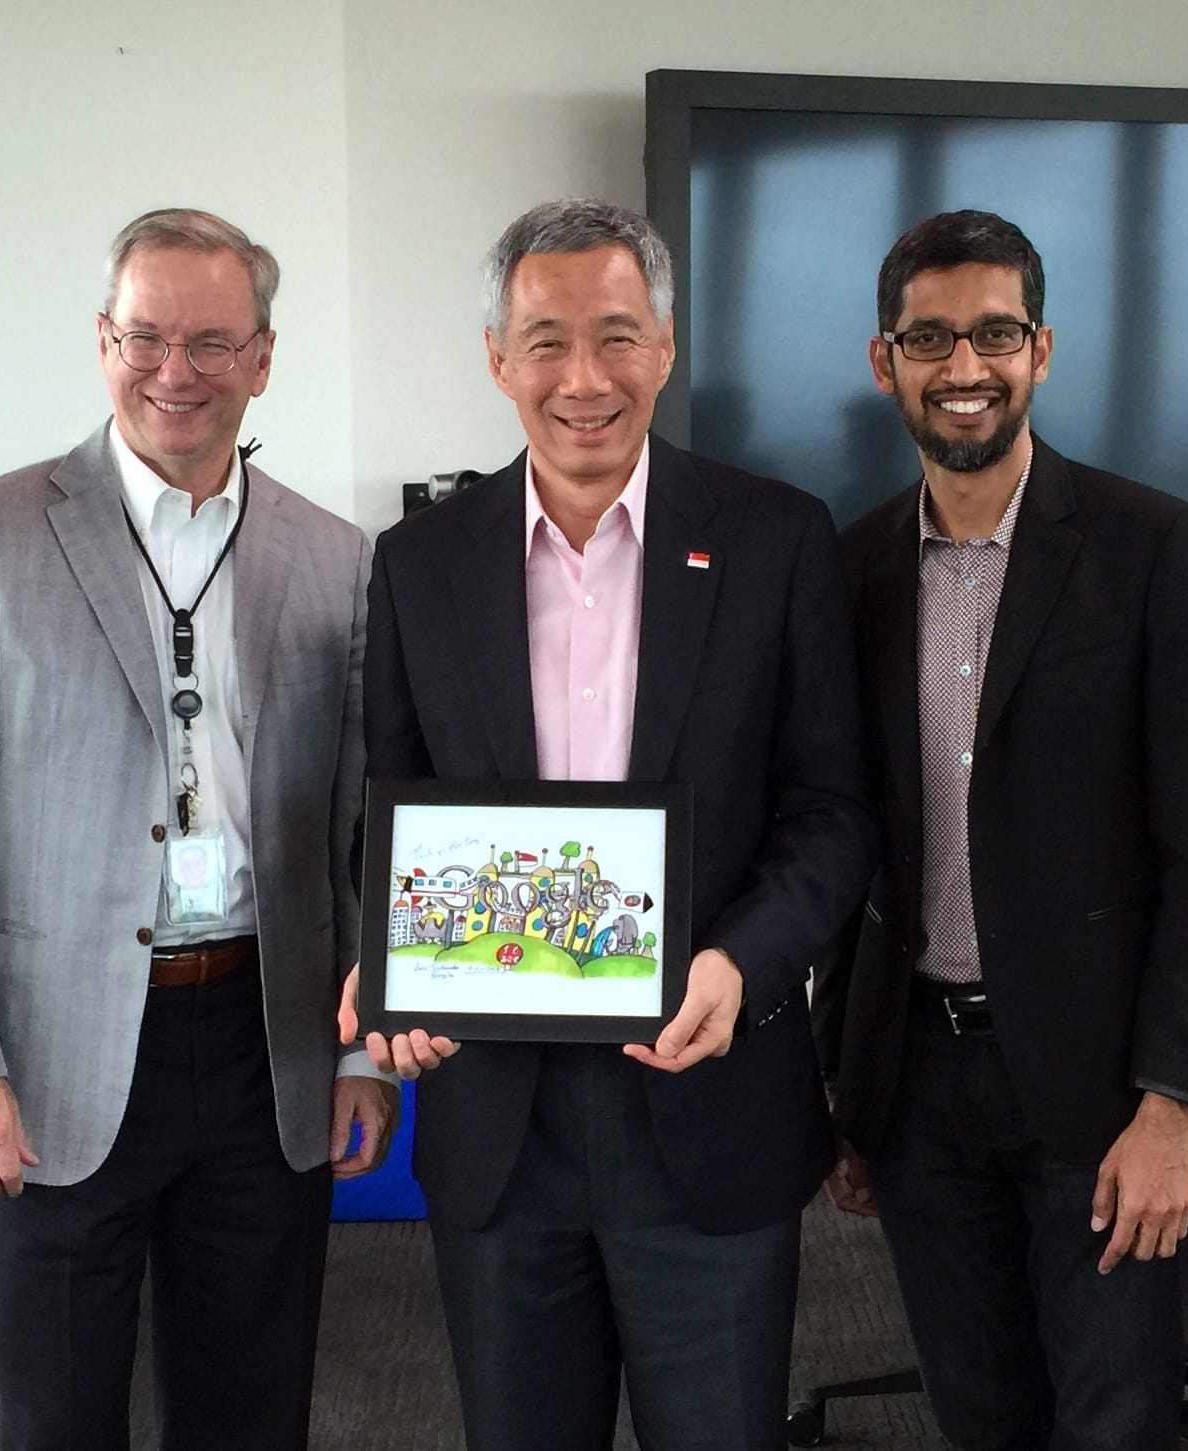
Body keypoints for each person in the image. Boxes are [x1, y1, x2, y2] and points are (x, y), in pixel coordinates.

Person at [342, 197, 875, 1451]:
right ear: (496, 357)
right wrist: (391, 961)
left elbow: (833, 811)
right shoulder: (418, 560)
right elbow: (388, 807)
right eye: (545, 341)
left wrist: (740, 961)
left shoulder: (775, 538)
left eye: (617, 336)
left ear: (666, 346)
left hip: (705, 1098)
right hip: (496, 1116)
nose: (582, 378)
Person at [0, 207, 394, 1451]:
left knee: (249, 1411)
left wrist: (364, 1050)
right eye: (144, 336)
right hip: (49, 1053)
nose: (175, 370)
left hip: (265, 1041)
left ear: (261, 358)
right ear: (101, 341)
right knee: (57, 1416)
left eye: (211, 342)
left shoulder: (335, 557)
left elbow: (357, 834)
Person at [815, 210, 1188, 1451]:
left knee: (1113, 1417)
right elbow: (846, 838)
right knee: (978, 1412)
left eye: (994, 333)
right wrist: (849, 1090)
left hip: (1099, 1084)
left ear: (1041, 350)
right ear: (884, 361)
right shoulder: (848, 570)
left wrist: (1173, 1108)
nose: (963, 366)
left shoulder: (1156, 547)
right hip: (918, 1081)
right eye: (929, 338)